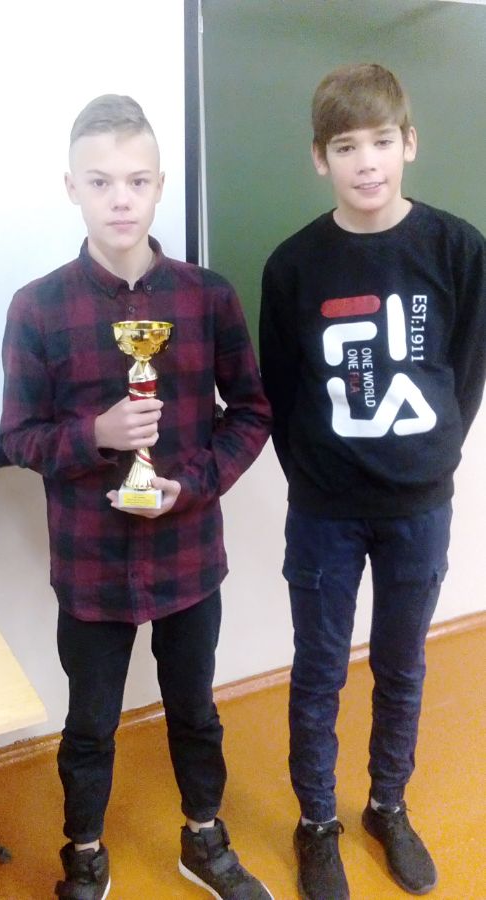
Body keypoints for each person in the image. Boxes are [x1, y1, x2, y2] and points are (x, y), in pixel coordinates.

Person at [0, 94, 273, 900]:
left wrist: (194, 484)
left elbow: (252, 411)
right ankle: (84, 852)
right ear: (71, 188)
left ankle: (204, 839)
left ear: (159, 187)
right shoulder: (37, 307)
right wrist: (97, 435)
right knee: (89, 724)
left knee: (196, 710)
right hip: (92, 566)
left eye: (137, 181)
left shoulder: (207, 297)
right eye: (100, 182)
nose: (120, 199)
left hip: (189, 555)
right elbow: (20, 437)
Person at [259, 63, 486, 900]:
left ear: (409, 144)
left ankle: (388, 805)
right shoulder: (292, 265)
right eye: (347, 146)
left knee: (403, 666)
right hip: (325, 511)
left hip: (419, 508)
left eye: (382, 141)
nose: (367, 162)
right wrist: (320, 477)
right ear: (320, 157)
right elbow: (281, 389)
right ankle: (316, 822)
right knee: (319, 671)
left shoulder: (458, 248)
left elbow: (465, 371)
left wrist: (433, 458)